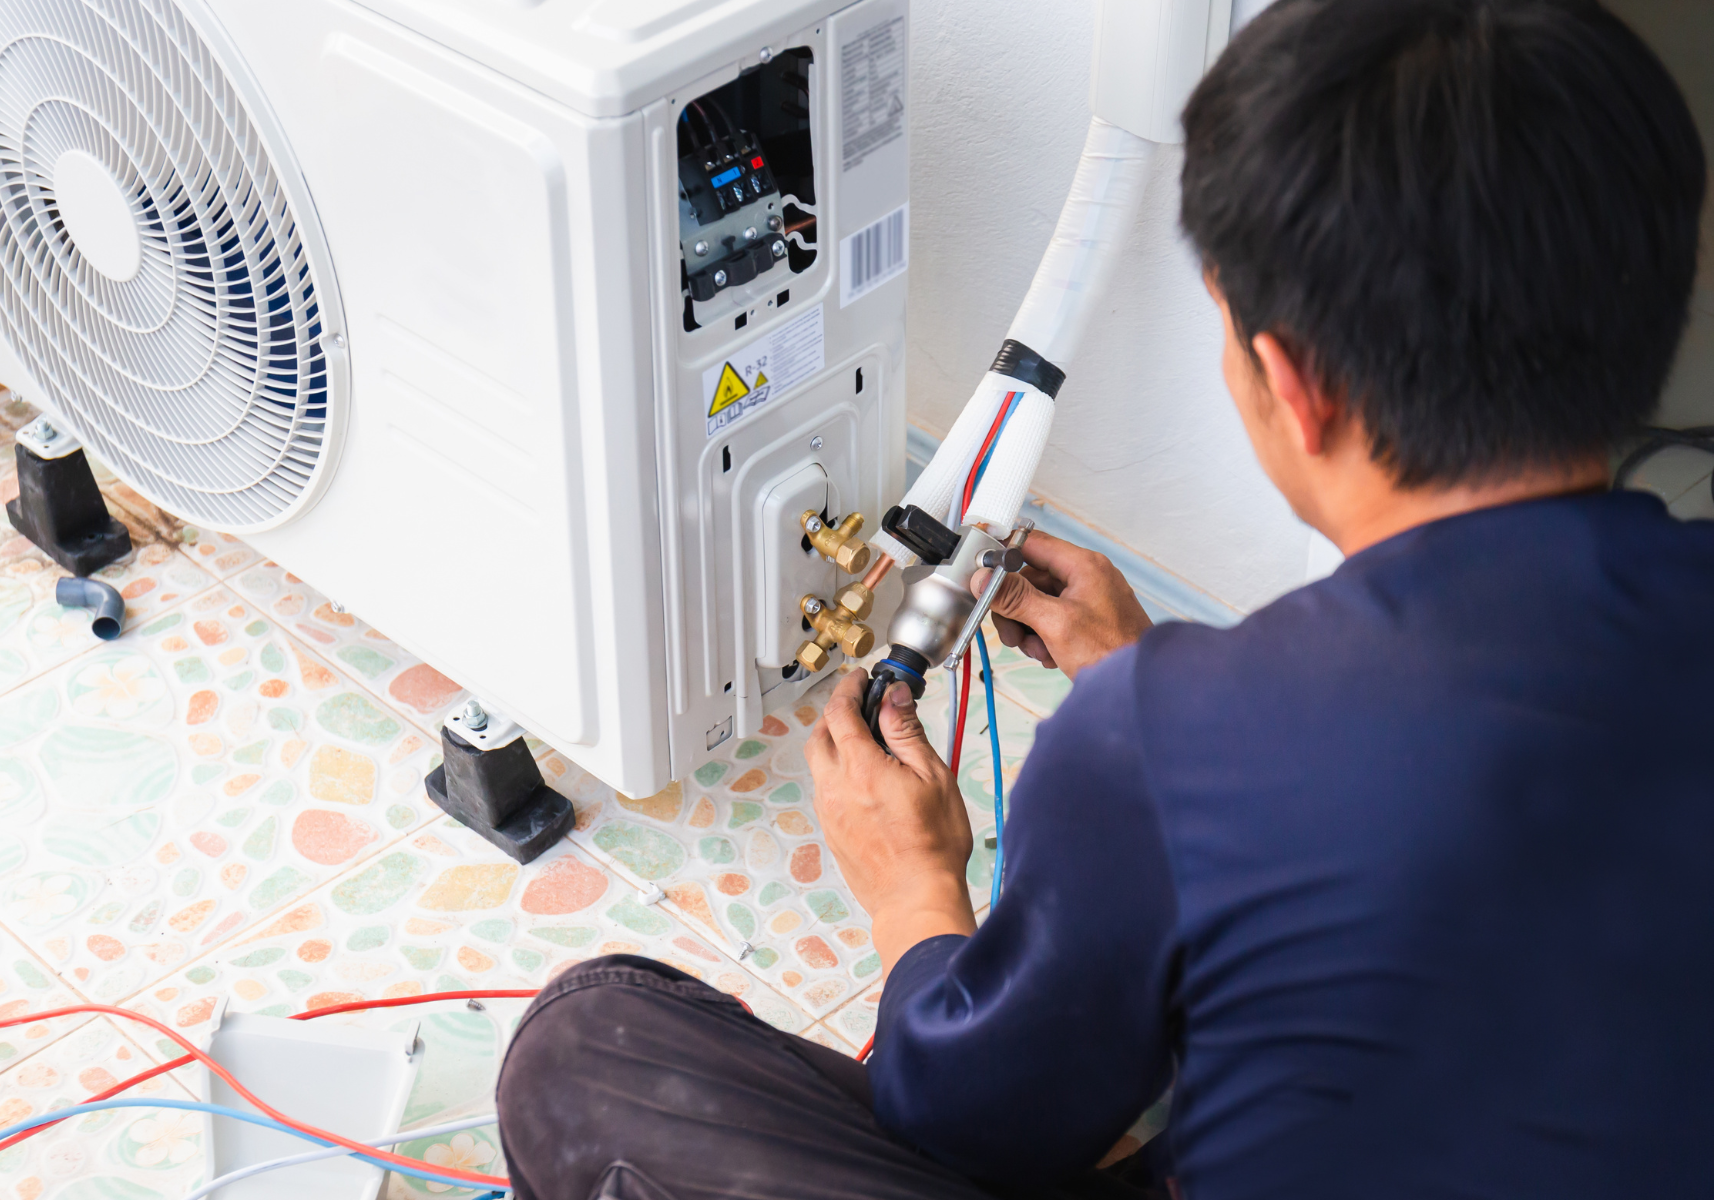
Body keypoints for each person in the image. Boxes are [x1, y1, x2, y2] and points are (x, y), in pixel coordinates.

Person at [493, 0, 1714, 1196]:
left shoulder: (1161, 744)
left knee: (590, 1042)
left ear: (1288, 384)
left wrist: (911, 885)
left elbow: (982, 1124)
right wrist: (1170, 689)